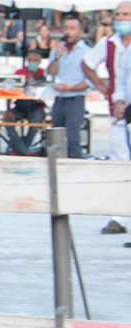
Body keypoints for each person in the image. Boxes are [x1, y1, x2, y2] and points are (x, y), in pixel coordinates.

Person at [88, 1, 131, 234]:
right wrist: (106, 90)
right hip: (121, 112)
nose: (122, 19)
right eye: (119, 15)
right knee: (120, 164)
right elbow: (88, 64)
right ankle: (120, 217)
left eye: (126, 15)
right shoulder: (110, 44)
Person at [48, 16, 92, 159]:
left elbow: (90, 81)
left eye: (72, 29)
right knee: (56, 138)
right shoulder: (58, 50)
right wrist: (56, 57)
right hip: (59, 99)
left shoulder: (86, 52)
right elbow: (50, 73)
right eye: (66, 28)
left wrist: (70, 88)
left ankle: (76, 167)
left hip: (75, 98)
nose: (68, 32)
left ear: (80, 32)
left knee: (73, 139)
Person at [6, 51, 47, 155]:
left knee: (36, 121)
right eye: (30, 60)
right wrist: (8, 110)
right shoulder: (19, 72)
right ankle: (23, 150)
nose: (32, 63)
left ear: (39, 62)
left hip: (36, 105)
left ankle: (21, 150)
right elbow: (10, 91)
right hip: (20, 105)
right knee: (7, 121)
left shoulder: (43, 73)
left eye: (35, 61)